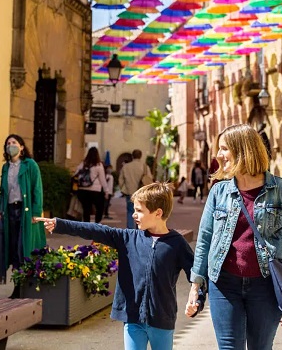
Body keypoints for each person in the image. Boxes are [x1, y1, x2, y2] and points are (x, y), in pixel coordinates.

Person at [185, 124, 282, 350]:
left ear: (243, 150)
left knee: (261, 346)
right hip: (224, 283)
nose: (219, 155)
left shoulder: (281, 190)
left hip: (267, 283)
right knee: (229, 347)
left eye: (224, 148)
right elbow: (205, 239)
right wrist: (196, 284)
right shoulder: (219, 192)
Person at [36, 183, 202, 350]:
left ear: (158, 213)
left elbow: (197, 275)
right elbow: (95, 230)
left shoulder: (177, 244)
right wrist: (60, 224)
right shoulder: (128, 238)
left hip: (162, 320)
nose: (134, 215)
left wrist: (197, 302)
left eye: (139, 211)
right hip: (132, 319)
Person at [0, 134, 46, 292]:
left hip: (25, 212)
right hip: (9, 212)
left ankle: (28, 287)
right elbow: (2, 192)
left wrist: (36, 213)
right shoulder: (6, 167)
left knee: (25, 248)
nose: (11, 145)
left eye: (14, 142)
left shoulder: (30, 165)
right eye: (8, 143)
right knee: (12, 249)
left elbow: (37, 189)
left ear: (22, 147)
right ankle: (17, 287)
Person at [119, 149, 153, 229]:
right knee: (140, 211)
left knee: (130, 211)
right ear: (140, 156)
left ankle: (130, 230)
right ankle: (139, 229)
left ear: (132, 156)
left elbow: (121, 179)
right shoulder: (145, 167)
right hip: (142, 193)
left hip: (129, 192)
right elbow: (149, 179)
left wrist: (123, 188)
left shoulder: (126, 166)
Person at [74, 147, 106, 223]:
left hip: (82, 190)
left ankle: (87, 226)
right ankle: (96, 224)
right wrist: (106, 191)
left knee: (86, 209)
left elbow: (76, 174)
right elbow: (102, 179)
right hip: (95, 191)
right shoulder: (99, 165)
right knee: (100, 208)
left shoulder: (83, 163)